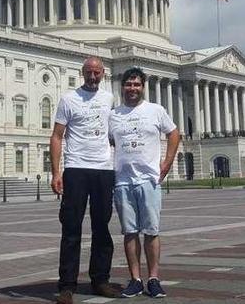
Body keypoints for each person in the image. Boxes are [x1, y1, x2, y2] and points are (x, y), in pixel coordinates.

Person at [109, 67, 181, 298]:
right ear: (122, 86)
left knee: (151, 231)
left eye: (136, 84)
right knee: (129, 232)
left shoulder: (156, 110)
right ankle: (135, 279)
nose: (132, 88)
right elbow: (108, 143)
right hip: (122, 180)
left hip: (148, 179)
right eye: (128, 84)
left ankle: (153, 278)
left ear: (143, 86)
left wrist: (167, 162)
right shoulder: (113, 115)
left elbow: (174, 133)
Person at [50, 57, 117, 304]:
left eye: (97, 73)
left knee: (102, 227)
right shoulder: (69, 99)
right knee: (71, 229)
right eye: (89, 72)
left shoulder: (109, 98)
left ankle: (100, 280)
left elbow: (114, 134)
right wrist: (56, 172)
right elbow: (57, 136)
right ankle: (67, 285)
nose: (92, 77)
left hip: (103, 169)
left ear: (103, 74)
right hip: (76, 168)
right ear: (82, 73)